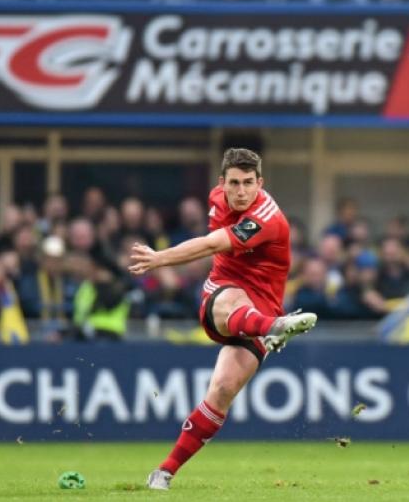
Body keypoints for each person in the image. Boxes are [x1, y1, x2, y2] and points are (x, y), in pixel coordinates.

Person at [128, 148, 317, 490]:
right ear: (222, 183)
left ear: (260, 183)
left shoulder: (265, 218)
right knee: (232, 300)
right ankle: (274, 329)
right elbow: (211, 247)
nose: (241, 191)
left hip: (263, 307)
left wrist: (160, 259)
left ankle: (164, 472)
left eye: (248, 183)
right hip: (225, 294)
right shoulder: (218, 197)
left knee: (223, 390)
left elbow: (209, 244)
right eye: (234, 183)